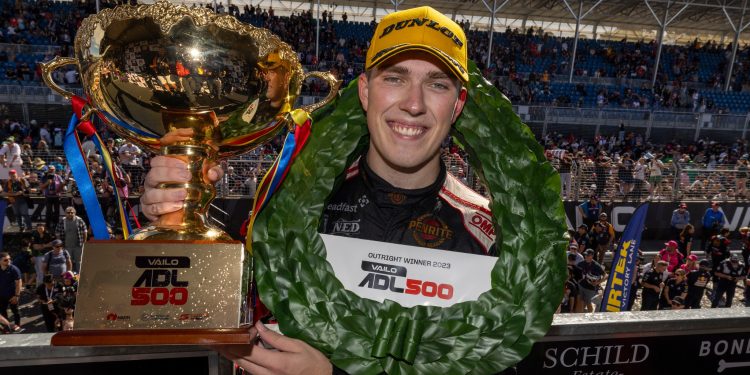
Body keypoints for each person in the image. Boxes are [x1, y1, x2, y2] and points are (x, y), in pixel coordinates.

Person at [140, 6, 495, 373]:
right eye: (395, 78)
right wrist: (176, 217)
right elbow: (206, 310)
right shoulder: (288, 201)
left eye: (437, 84)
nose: (414, 103)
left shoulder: (488, 234)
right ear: (365, 92)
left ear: (457, 105)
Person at [56, 207, 88, 273]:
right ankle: (69, 276)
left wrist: (84, 243)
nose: (70, 214)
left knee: (79, 261)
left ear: (74, 213)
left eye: (72, 213)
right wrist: (60, 244)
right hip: (66, 246)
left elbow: (85, 231)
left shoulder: (79, 220)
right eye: (68, 213)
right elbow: (57, 233)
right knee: (67, 261)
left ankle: (79, 276)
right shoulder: (62, 221)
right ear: (65, 213)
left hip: (78, 246)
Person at [0, 252, 22, 331]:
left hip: (12, 295)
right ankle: (7, 327)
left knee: (15, 311)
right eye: (5, 260)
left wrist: (17, 296)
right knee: (3, 312)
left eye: (9, 259)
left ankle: (18, 326)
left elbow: (19, 282)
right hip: (1, 296)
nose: (8, 261)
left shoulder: (14, 269)